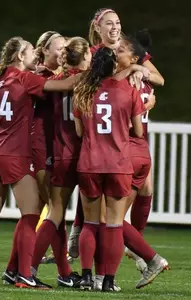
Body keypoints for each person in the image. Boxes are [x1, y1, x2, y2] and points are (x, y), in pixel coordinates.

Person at [0, 36, 80, 289]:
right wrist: (87, 73)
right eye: (31, 51)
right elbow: (66, 84)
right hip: (14, 153)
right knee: (32, 214)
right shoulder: (24, 78)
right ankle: (24, 274)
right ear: (21, 56)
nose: (35, 55)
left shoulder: (0, 78)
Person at [67, 7, 165, 260]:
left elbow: (159, 79)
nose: (115, 27)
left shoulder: (130, 51)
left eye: (118, 22)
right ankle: (129, 251)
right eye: (109, 23)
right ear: (97, 29)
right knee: (107, 210)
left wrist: (141, 70)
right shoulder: (95, 55)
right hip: (113, 135)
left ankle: (128, 247)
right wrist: (131, 73)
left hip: (132, 131)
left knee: (144, 190)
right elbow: (97, 85)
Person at [72, 47, 146, 291]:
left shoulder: (82, 91)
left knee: (90, 223)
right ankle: (109, 282)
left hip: (90, 163)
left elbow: (79, 132)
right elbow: (138, 131)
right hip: (118, 163)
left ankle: (86, 277)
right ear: (114, 66)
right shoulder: (129, 91)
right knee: (114, 224)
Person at [30, 36, 91, 288]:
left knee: (55, 212)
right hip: (88, 156)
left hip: (61, 154)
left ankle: (29, 268)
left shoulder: (54, 81)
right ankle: (94, 277)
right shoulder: (91, 82)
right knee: (93, 219)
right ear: (85, 56)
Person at [30, 31, 65, 265]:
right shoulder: (39, 76)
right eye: (59, 48)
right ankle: (62, 270)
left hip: (52, 146)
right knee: (55, 209)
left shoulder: (54, 75)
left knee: (43, 210)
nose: (64, 52)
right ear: (44, 51)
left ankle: (17, 266)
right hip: (40, 146)